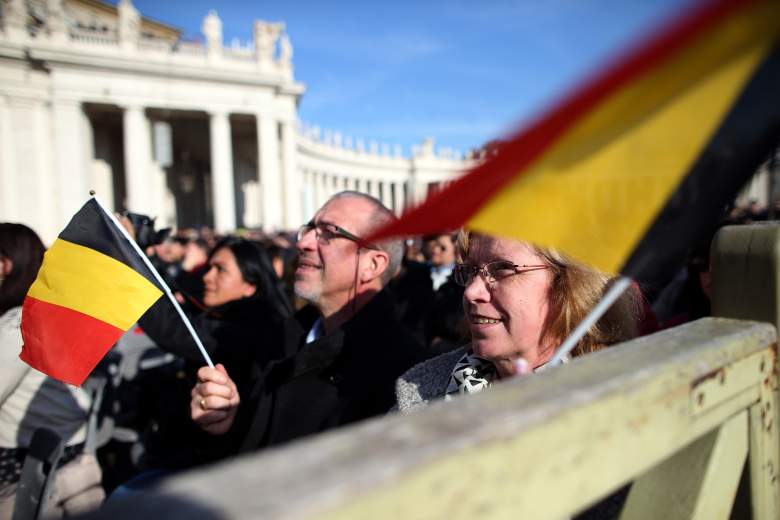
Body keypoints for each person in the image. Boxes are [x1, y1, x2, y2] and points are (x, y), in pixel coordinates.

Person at [190, 192, 426, 456]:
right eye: (310, 228)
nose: (303, 243)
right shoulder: (283, 338)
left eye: (327, 232)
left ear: (372, 265)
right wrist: (227, 420)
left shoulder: (405, 376)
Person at [396, 230, 639, 411]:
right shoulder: (419, 390)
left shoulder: (623, 397)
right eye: (470, 271)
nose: (471, 292)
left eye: (502, 269)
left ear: (567, 284)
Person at [133, 237, 293, 469]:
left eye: (221, 270)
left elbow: (173, 328)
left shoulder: (247, 327)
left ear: (250, 285)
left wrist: (131, 256)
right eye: (209, 267)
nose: (208, 276)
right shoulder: (237, 315)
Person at [0, 223, 104, 518]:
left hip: (33, 455)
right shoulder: (33, 310)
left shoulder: (15, 325)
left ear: (7, 265)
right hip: (59, 441)